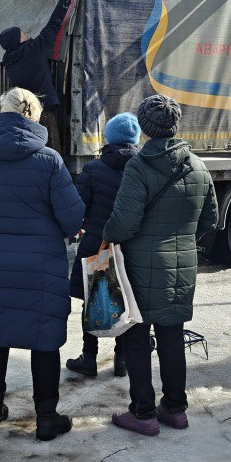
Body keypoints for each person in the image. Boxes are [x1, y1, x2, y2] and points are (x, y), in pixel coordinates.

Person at [0, 87, 85, 442]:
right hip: (43, 264)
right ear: (34, 114)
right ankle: (46, 418)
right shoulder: (49, 160)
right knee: (45, 339)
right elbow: (72, 216)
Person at [102, 95, 217, 436]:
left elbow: (123, 223)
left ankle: (143, 413)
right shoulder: (198, 165)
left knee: (137, 339)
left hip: (140, 265)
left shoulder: (139, 166)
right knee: (171, 337)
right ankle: (175, 409)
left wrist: (106, 236)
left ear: (145, 128)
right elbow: (210, 220)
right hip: (183, 265)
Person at [64, 112, 140, 379]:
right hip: (131, 246)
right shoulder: (142, 168)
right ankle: (122, 359)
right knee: (127, 298)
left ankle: (89, 358)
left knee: (92, 298)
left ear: (109, 137)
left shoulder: (94, 169)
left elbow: (79, 207)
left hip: (96, 243)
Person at [0, 0, 76, 151]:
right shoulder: (33, 49)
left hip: (22, 116)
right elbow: (54, 24)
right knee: (51, 154)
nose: (27, 34)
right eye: (23, 33)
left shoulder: (9, 62)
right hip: (43, 112)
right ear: (18, 40)